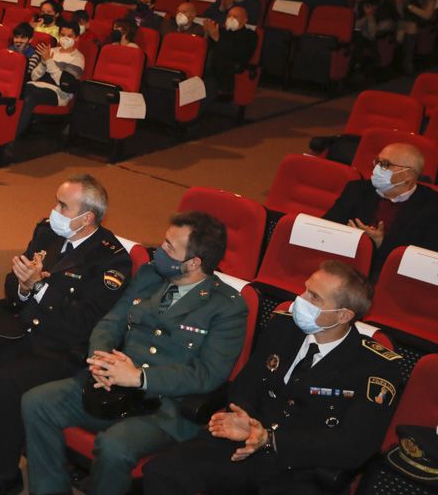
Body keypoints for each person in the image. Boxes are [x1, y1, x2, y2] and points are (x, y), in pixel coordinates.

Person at [0, 175, 132, 495]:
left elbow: (83, 322)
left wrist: (40, 287)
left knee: (8, 380)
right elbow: (13, 287)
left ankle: (6, 472)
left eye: (62, 205)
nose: (53, 210)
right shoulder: (47, 233)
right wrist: (25, 289)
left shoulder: (112, 260)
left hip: (64, 350)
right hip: (22, 331)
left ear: (87, 218)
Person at [22, 211, 247, 495]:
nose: (160, 250)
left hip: (164, 407)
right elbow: (111, 322)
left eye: (169, 246)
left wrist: (140, 377)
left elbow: (208, 374)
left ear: (193, 263)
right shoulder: (150, 275)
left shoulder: (227, 307)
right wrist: (101, 361)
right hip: (110, 385)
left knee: (114, 446)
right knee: (36, 402)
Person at [143, 261, 401, 495]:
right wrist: (244, 418)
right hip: (244, 441)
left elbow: (354, 445)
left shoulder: (376, 367)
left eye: (315, 297)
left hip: (301, 468)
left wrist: (269, 438)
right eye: (305, 290)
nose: (300, 300)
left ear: (344, 315)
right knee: (163, 472)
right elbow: (247, 384)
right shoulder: (283, 326)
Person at [323, 142, 438, 280]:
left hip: (394, 277)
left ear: (408, 175)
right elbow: (326, 226)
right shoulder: (357, 190)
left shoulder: (432, 206)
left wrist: (380, 243)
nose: (377, 168)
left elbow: (425, 260)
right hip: (346, 264)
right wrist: (351, 235)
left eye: (385, 164)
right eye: (377, 162)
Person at [15, 21, 84, 139]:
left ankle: (13, 136)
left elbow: (64, 84)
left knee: (31, 97)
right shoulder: (51, 50)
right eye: (62, 35)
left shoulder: (78, 58)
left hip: (58, 93)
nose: (65, 38)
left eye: (70, 36)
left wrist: (49, 61)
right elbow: (34, 77)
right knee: (17, 91)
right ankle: (2, 131)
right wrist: (43, 62)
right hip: (36, 85)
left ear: (76, 38)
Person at [202, 6, 258, 99]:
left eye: (235, 16)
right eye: (229, 16)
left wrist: (217, 38)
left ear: (245, 20)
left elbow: (240, 54)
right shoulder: (220, 31)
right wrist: (206, 34)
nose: (231, 19)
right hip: (211, 68)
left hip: (230, 69)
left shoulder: (250, 35)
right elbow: (206, 49)